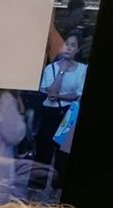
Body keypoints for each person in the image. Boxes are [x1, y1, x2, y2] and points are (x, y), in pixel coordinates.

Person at [36, 32, 86, 169]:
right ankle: (38, 181)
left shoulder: (82, 69)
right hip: (50, 114)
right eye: (66, 44)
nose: (68, 48)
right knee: (43, 153)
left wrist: (59, 96)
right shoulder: (50, 68)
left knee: (63, 156)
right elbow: (51, 94)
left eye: (73, 45)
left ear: (78, 49)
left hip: (69, 114)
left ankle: (57, 182)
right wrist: (61, 72)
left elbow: (78, 95)